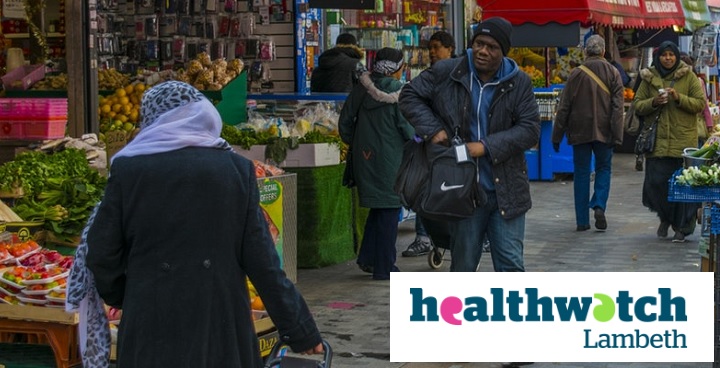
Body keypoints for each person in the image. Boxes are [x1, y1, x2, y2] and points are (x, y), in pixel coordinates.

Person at [75, 81, 323, 367]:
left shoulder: (129, 170)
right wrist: (301, 331)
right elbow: (264, 264)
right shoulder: (235, 171)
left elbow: (102, 254)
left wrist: (130, 295)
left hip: (151, 326)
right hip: (221, 327)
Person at [399, 17, 541, 272]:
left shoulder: (518, 83)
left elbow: (530, 130)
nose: (483, 51)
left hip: (506, 191)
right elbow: (409, 95)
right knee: (463, 265)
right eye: (479, 43)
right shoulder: (449, 72)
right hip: (460, 191)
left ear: (503, 51)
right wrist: (434, 131)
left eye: (492, 47)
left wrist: (485, 146)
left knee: (510, 264)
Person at [339, 47, 415, 280]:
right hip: (391, 160)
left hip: (364, 158)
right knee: (390, 209)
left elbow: (344, 124)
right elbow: (408, 130)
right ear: (398, 69)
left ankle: (368, 258)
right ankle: (384, 267)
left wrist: (360, 142)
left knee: (379, 209)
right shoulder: (399, 93)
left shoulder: (361, 89)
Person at [633, 41, 707, 242]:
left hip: (682, 142)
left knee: (683, 189)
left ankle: (682, 227)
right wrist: (653, 102)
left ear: (676, 57)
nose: (668, 58)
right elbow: (637, 105)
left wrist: (678, 97)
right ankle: (665, 218)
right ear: (658, 58)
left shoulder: (689, 77)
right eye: (664, 55)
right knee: (657, 185)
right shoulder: (648, 78)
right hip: (657, 143)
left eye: (671, 55)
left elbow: (700, 104)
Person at [551, 35, 625, 232]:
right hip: (605, 130)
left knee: (582, 173)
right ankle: (599, 204)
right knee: (604, 169)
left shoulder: (576, 74)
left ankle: (582, 221)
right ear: (603, 52)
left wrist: (556, 135)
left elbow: (564, 106)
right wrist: (617, 135)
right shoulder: (613, 72)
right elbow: (618, 108)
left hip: (579, 131)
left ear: (585, 52)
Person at [402, 30, 457, 258]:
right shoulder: (428, 77)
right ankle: (424, 238)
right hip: (429, 145)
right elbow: (411, 100)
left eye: (436, 47)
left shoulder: (462, 75)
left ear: (450, 49)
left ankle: (460, 236)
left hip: (456, 147)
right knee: (424, 191)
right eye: (429, 48)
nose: (432, 52)